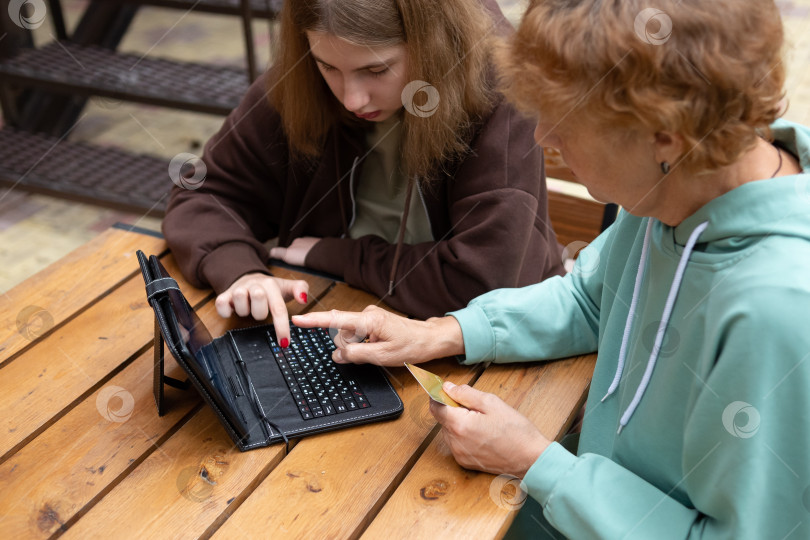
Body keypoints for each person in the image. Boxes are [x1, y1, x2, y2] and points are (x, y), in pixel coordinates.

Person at [293, 0, 810, 537]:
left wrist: (535, 462)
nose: (544, 138)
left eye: (565, 120)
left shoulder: (779, 313)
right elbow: (589, 299)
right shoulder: (679, 188)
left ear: (664, 133)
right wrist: (436, 333)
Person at [162, 0, 564, 349]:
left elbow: (484, 282)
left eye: (376, 70)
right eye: (328, 66)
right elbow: (204, 194)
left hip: (481, 341)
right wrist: (240, 269)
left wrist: (340, 257)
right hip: (331, 318)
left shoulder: (499, 94)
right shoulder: (301, 79)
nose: (352, 98)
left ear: (433, 44)